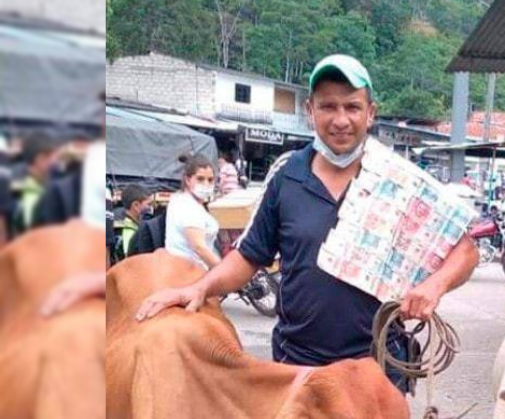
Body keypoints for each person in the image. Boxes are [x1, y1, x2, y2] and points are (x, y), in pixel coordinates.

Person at [135, 54, 479, 392]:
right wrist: (199, 288)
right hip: (299, 363)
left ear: (370, 113)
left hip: (379, 368)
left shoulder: (400, 180)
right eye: (328, 106)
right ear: (310, 111)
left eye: (352, 107)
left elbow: (465, 251)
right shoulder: (287, 178)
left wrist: (433, 287)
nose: (340, 119)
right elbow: (249, 256)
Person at [165, 154, 220, 270]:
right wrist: (224, 271)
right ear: (188, 180)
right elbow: (199, 247)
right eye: (200, 179)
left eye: (210, 180)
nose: (206, 184)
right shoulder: (188, 207)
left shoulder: (181, 199)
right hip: (191, 273)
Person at [14, 133, 61, 233]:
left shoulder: (41, 185)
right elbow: (29, 231)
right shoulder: (30, 192)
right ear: (41, 158)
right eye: (55, 157)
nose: (57, 162)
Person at [119, 184, 152, 258]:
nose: (150, 208)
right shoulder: (128, 229)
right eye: (148, 204)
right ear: (136, 205)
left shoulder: (133, 224)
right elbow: (129, 258)